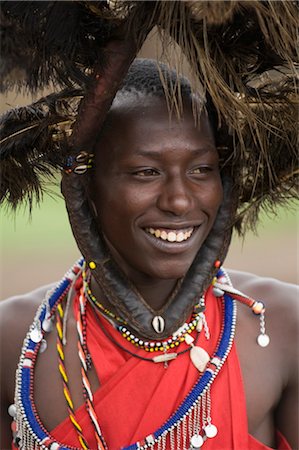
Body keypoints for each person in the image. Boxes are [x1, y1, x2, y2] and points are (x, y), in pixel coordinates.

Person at [0, 2, 298, 449]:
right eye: (146, 172)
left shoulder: (283, 328)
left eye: (201, 170)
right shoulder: (14, 338)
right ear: (88, 187)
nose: (180, 200)